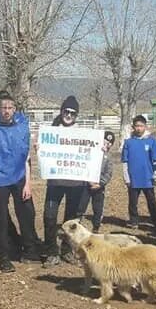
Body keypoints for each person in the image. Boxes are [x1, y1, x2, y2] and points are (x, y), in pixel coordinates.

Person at [0, 91, 38, 273]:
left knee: (27, 213)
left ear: (14, 109)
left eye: (10, 108)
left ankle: (30, 250)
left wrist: (28, 183)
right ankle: (4, 257)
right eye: (3, 108)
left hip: (20, 177)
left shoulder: (22, 128)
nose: (6, 111)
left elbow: (26, 157)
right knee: (0, 219)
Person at [42, 96, 89, 267]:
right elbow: (44, 152)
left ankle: (67, 250)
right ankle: (51, 252)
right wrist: (40, 149)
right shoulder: (51, 131)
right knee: (49, 216)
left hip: (76, 183)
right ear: (61, 111)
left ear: (76, 115)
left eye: (72, 113)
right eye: (66, 111)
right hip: (55, 181)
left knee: (72, 220)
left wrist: (99, 150)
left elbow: (91, 152)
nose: (69, 115)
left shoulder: (83, 134)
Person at [121, 115, 156, 229]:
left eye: (141, 126)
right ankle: (134, 221)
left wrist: (155, 173)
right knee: (133, 202)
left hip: (147, 177)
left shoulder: (151, 141)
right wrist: (126, 177)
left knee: (151, 200)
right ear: (133, 127)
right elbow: (125, 161)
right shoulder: (128, 142)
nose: (139, 128)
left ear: (145, 126)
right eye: (137, 126)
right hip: (133, 178)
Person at [79, 130, 115, 232]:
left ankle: (96, 227)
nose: (105, 145)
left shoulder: (108, 157)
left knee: (98, 208)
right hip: (86, 185)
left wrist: (101, 183)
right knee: (81, 206)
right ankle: (77, 223)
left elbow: (108, 173)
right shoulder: (90, 152)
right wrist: (88, 180)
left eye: (108, 144)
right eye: (104, 142)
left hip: (99, 187)